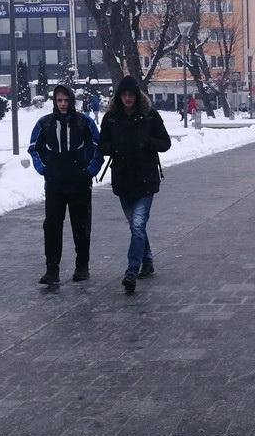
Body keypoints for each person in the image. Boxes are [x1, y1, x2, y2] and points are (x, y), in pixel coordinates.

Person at [99, 75, 172, 294]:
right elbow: (102, 144)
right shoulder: (111, 118)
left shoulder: (150, 116)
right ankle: (147, 261)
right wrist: (114, 147)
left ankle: (132, 271)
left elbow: (165, 143)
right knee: (135, 227)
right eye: (124, 95)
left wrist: (147, 143)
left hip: (145, 180)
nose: (128, 98)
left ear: (137, 96)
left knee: (138, 225)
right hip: (123, 179)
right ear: (119, 96)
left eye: (131, 95)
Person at [28, 84, 103, 285]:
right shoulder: (44, 124)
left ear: (71, 101)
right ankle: (52, 269)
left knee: (81, 225)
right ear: (55, 101)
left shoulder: (84, 122)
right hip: (54, 185)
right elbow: (34, 148)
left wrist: (90, 170)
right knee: (52, 226)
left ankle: (82, 266)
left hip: (79, 184)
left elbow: (98, 147)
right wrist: (44, 169)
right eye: (59, 100)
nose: (63, 104)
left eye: (66, 100)